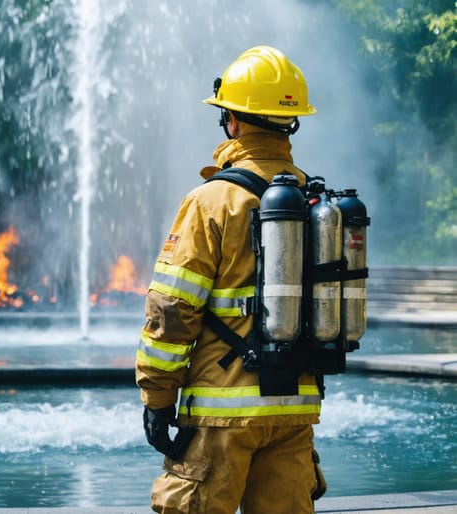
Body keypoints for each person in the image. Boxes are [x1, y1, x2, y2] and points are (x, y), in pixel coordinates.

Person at [136, 46, 325, 513]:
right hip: (295, 411)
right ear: (291, 123)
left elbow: (171, 313)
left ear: (233, 121)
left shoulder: (211, 201)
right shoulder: (319, 202)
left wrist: (159, 400)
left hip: (222, 415)